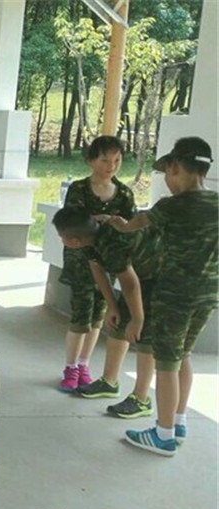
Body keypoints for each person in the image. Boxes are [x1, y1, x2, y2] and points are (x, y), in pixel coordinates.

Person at [108, 137, 216, 456]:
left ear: (175, 167)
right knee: (184, 355)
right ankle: (178, 421)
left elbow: (135, 225)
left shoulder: (170, 206)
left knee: (165, 361)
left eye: (167, 173)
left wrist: (119, 224)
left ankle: (164, 434)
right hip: (209, 295)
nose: (167, 181)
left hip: (174, 295)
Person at [52, 206, 161, 419]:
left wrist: (137, 320)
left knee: (145, 338)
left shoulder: (111, 244)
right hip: (140, 276)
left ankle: (141, 399)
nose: (61, 240)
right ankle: (109, 382)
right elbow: (97, 270)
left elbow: (130, 284)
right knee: (118, 325)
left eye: (62, 237)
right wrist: (112, 306)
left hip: (158, 277)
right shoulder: (90, 236)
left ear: (74, 240)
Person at [58, 136, 136, 392]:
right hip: (80, 260)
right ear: (91, 160)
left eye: (116, 160)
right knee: (81, 313)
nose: (111, 165)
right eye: (104, 160)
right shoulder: (79, 189)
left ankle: (83, 364)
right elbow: (73, 219)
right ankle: (70, 367)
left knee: (98, 316)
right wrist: (100, 219)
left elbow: (131, 224)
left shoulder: (124, 192)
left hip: (109, 260)